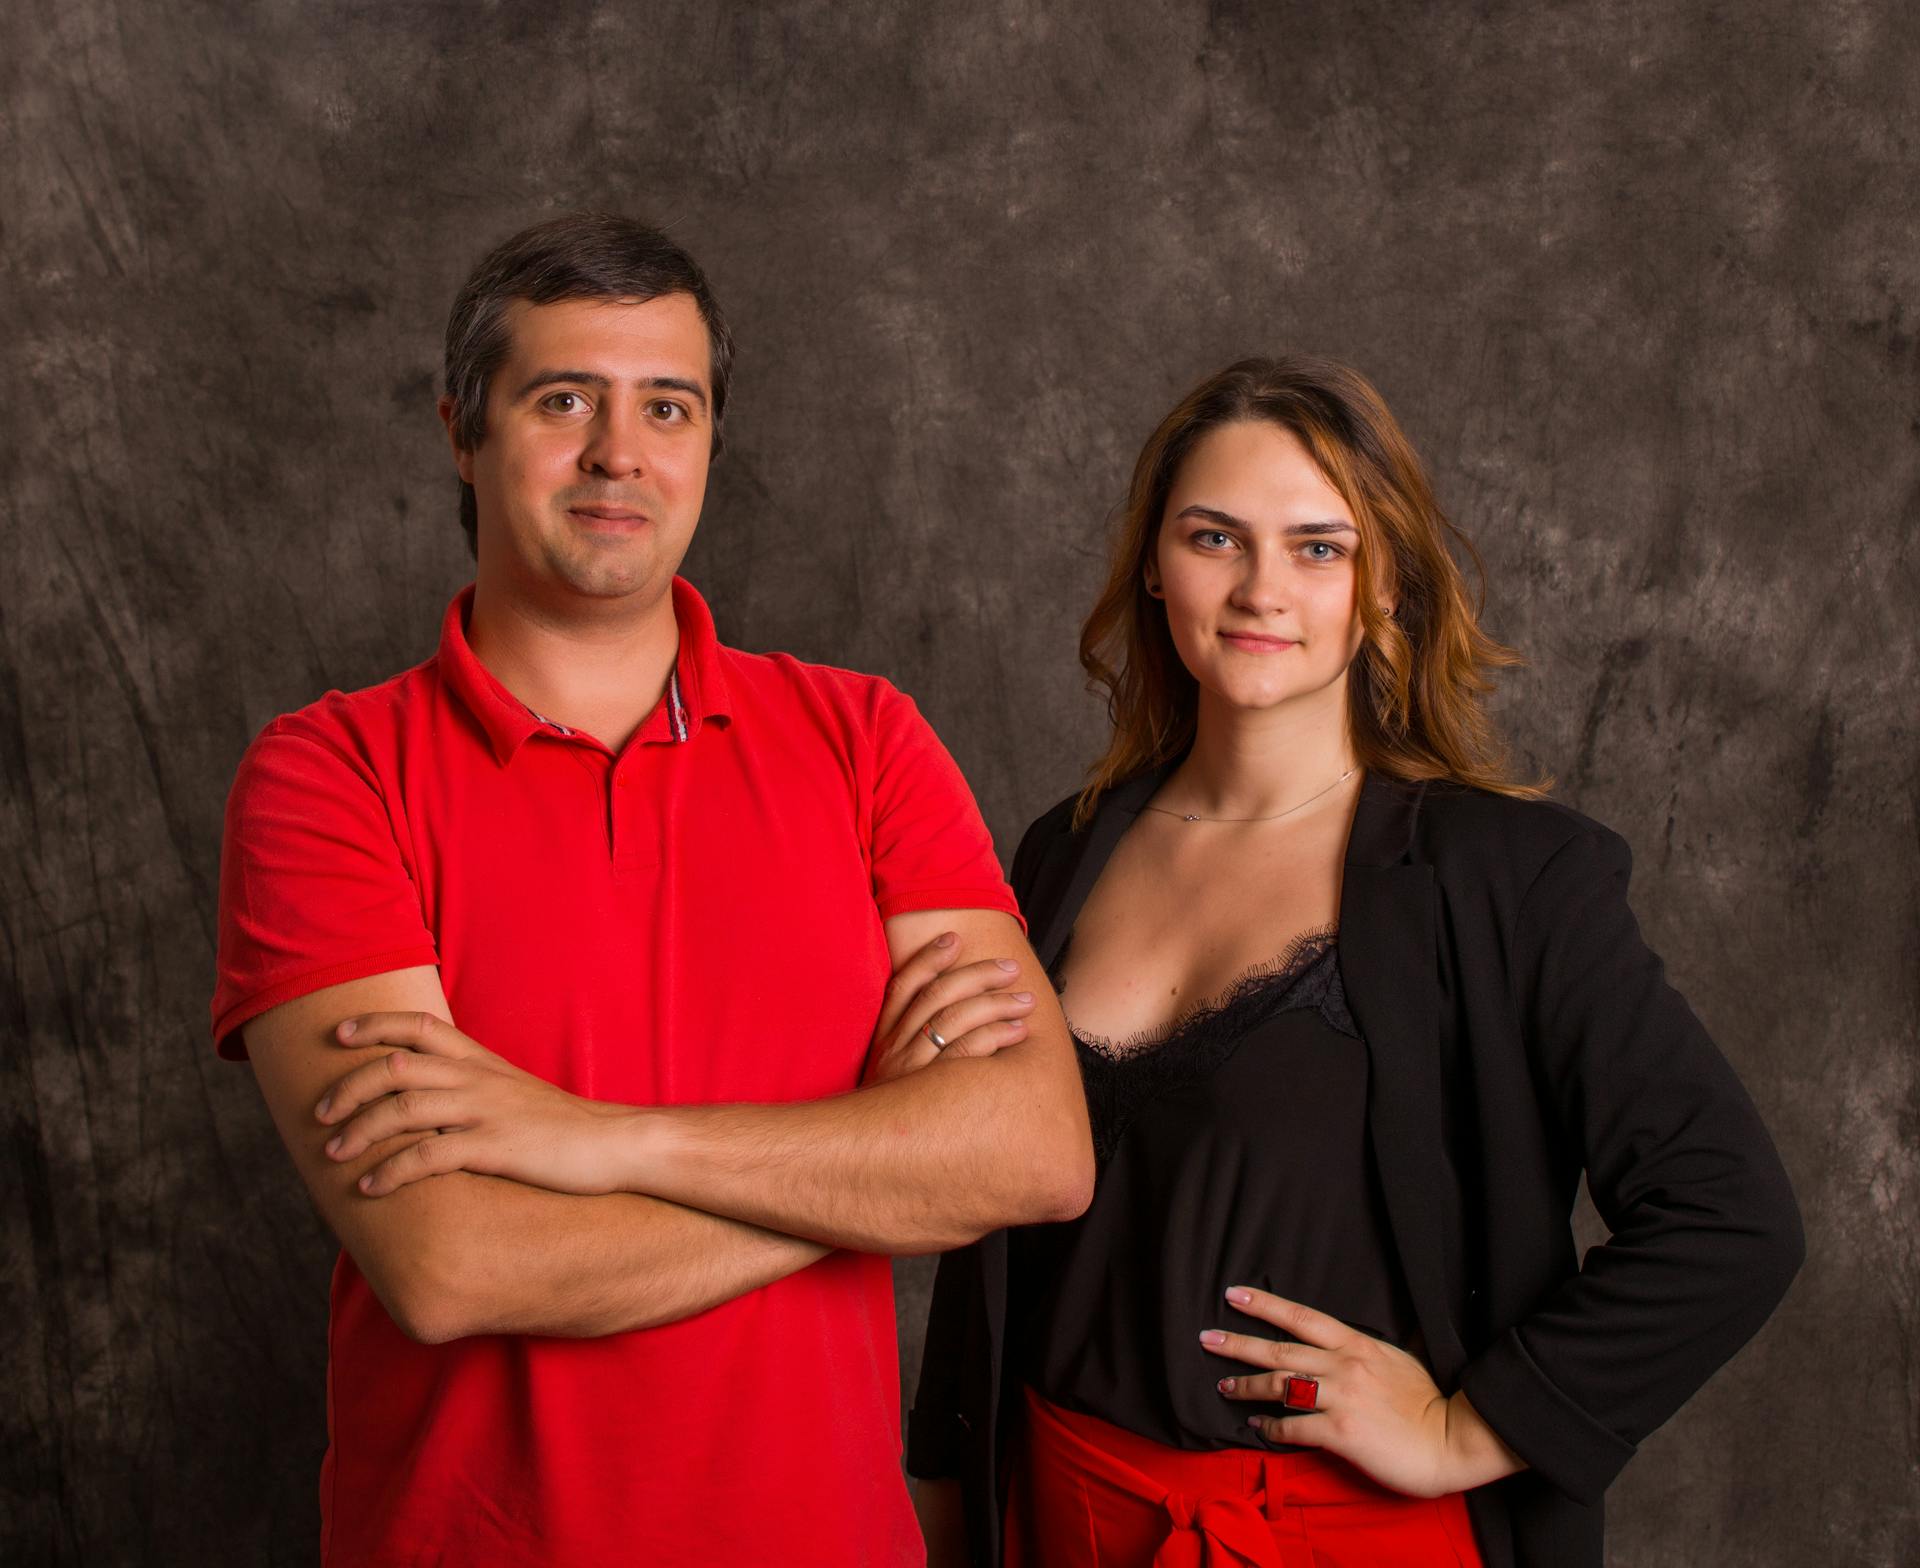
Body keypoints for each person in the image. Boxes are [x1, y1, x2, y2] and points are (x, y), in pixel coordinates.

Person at [211, 211, 1094, 1567]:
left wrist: (598, 1140)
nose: (620, 453)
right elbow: (452, 1266)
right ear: (463, 431)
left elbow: (1034, 1152)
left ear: (707, 449)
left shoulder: (864, 739)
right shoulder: (329, 776)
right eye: (564, 399)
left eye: (667, 408)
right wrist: (876, 1161)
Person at [904, 357, 1803, 1568]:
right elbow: (996, 1216)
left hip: (1350, 1536)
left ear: (1385, 589)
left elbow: (1730, 1214)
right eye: (1215, 536)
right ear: (1157, 568)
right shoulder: (1062, 848)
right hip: (1056, 1506)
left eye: (1319, 547)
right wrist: (950, 1488)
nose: (1261, 587)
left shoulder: (1505, 875)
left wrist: (1464, 1427)